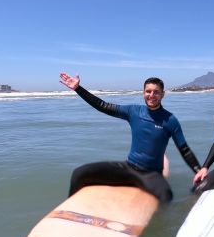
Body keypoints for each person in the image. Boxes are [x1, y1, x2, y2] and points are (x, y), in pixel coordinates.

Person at [59, 72, 202, 202]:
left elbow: (184, 150)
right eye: (148, 91)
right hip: (128, 168)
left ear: (162, 94)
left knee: (167, 197)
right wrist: (78, 89)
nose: (151, 95)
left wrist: (198, 171)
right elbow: (102, 105)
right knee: (79, 173)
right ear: (143, 93)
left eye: (156, 92)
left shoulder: (170, 120)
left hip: (151, 174)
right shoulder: (134, 111)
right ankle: (68, 209)